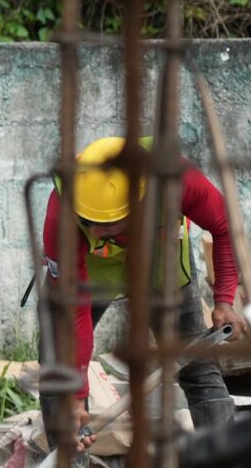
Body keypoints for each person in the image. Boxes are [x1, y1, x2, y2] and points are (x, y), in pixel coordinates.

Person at [41, 136, 239, 440]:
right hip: (92, 270)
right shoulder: (62, 213)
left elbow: (225, 227)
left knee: (195, 366)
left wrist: (224, 298)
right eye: (87, 221)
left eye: (105, 224)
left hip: (159, 259)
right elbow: (73, 314)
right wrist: (77, 393)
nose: (93, 231)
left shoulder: (177, 180)